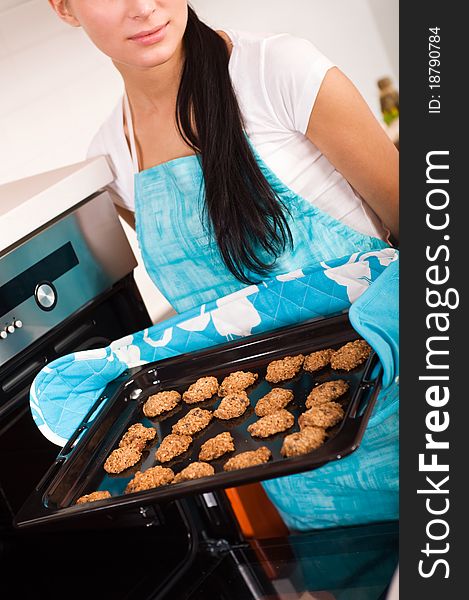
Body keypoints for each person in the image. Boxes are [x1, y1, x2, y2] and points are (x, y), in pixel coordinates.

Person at [48, 0, 399, 529]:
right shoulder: (115, 159)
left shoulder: (278, 71)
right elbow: (216, 311)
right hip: (302, 483)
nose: (143, 8)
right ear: (65, 8)